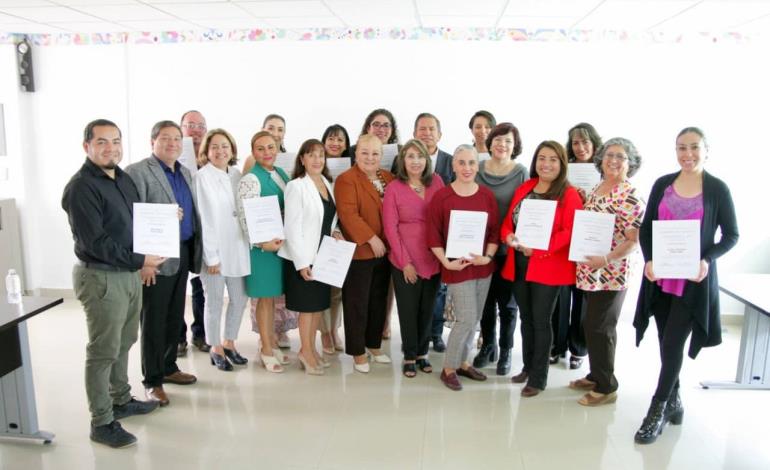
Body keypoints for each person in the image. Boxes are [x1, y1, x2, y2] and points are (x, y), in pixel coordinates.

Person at [62, 119, 164, 448]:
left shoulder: (122, 178)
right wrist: (141, 261)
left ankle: (121, 399)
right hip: (101, 276)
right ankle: (102, 421)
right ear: (87, 147)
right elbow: (96, 242)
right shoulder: (81, 187)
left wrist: (164, 222)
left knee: (124, 341)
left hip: (128, 274)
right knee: (103, 351)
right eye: (103, 142)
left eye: (116, 141)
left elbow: (136, 222)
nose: (111, 148)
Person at [633, 127, 738, 444]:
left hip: (692, 283)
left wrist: (707, 260)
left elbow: (730, 235)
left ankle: (657, 409)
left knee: (673, 345)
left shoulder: (717, 189)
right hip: (660, 279)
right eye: (681, 148)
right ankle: (675, 402)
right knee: (665, 341)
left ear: (707, 150)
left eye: (694, 147)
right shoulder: (663, 184)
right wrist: (649, 259)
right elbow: (647, 228)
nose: (687, 154)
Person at [125, 121, 202, 407]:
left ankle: (169, 367)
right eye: (165, 138)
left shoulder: (184, 172)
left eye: (176, 139)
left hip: (181, 251)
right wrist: (144, 262)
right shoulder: (137, 172)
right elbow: (133, 219)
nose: (172, 143)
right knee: (154, 320)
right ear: (152, 141)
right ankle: (152, 381)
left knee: (173, 316)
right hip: (154, 259)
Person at [501, 141, 583, 397]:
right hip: (519, 263)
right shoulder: (525, 187)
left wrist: (538, 249)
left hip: (549, 266)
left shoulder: (569, 194)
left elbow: (569, 232)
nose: (546, 164)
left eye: (553, 159)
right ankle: (527, 366)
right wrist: (509, 238)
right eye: (542, 158)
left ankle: (538, 377)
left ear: (562, 164)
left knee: (540, 321)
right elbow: (508, 222)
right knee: (526, 318)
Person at [569, 137, 645, 406]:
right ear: (600, 159)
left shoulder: (629, 194)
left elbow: (633, 240)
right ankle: (595, 374)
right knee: (590, 324)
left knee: (600, 327)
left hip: (612, 271)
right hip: (591, 269)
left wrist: (607, 258)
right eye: (609, 155)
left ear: (631, 163)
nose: (613, 161)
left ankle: (607, 386)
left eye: (621, 157)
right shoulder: (599, 187)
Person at [427, 144, 499, 391]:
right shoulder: (443, 197)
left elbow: (494, 232)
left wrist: (487, 258)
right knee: (466, 318)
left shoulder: (487, 195)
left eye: (471, 163)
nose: (467, 168)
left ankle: (464, 362)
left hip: (482, 268)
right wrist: (446, 261)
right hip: (457, 268)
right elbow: (432, 234)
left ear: (477, 166)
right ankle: (448, 367)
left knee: (475, 318)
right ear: (454, 166)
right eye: (461, 163)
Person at [383, 139, 445, 377]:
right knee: (408, 309)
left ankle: (422, 353)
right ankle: (409, 355)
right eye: (410, 156)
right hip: (404, 258)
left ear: (426, 160)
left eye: (420, 156)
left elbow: (445, 219)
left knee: (427, 309)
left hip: (433, 256)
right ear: (403, 160)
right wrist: (405, 262)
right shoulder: (394, 188)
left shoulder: (437, 183)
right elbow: (391, 228)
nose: (415, 161)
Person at [279, 139, 341, 375]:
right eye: (311, 155)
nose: (317, 160)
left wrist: (335, 230)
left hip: (323, 255)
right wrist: (302, 263)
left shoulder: (327, 182)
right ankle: (305, 352)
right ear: (302, 159)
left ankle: (311, 350)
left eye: (321, 155)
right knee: (307, 308)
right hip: (303, 257)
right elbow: (292, 228)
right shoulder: (297, 186)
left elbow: (329, 217)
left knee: (317, 307)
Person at [334, 134, 394, 373]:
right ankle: (358, 352)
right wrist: (372, 238)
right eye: (365, 153)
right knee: (357, 302)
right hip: (360, 251)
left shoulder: (388, 178)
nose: (370, 158)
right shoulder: (346, 180)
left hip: (385, 252)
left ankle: (374, 344)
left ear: (382, 155)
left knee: (379, 299)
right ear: (356, 154)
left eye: (375, 153)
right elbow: (349, 215)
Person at [193, 129, 250, 372]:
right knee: (214, 301)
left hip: (237, 248)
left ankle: (229, 342)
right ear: (206, 152)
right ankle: (215, 347)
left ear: (232, 149)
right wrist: (211, 256)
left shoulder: (237, 175)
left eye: (225, 146)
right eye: (214, 147)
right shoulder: (202, 177)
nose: (220, 151)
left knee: (239, 299)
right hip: (215, 253)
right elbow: (204, 218)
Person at [473, 122, 527, 375]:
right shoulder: (477, 168)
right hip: (480, 249)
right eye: (497, 139)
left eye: (507, 140)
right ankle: (488, 346)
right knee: (485, 302)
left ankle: (506, 351)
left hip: (509, 250)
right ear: (490, 141)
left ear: (514, 145)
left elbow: (528, 211)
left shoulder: (521, 173)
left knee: (508, 305)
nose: (501, 144)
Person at [550, 122, 603, 368]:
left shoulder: (605, 172)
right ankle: (556, 345)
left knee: (583, 298)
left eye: (585, 142)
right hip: (563, 240)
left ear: (594, 143)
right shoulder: (563, 170)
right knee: (560, 296)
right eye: (575, 143)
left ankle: (578, 348)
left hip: (589, 240)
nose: (580, 147)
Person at [238, 131, 290, 373]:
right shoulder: (251, 179)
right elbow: (244, 216)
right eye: (260, 149)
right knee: (264, 298)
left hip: (277, 245)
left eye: (271, 147)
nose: (267, 152)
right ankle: (266, 349)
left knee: (272, 298)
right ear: (253, 152)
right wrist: (261, 244)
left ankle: (271, 343)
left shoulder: (279, 173)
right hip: (262, 249)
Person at [179, 110, 210, 355]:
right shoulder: (172, 158)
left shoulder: (211, 159)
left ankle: (201, 333)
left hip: (204, 234)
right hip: (179, 235)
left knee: (202, 286)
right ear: (181, 129)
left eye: (201, 126)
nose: (196, 130)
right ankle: (178, 336)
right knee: (177, 287)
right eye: (191, 125)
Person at [319, 124, 351, 354]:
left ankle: (335, 329)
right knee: (322, 287)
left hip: (343, 233)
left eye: (340, 140)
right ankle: (324, 334)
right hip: (321, 233)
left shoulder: (350, 169)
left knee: (337, 289)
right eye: (331, 139)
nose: (335, 144)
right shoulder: (316, 168)